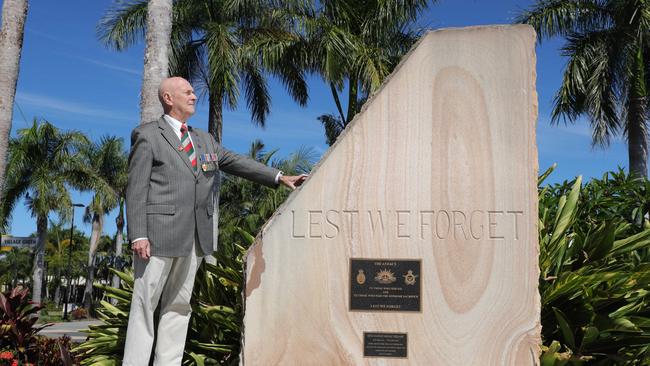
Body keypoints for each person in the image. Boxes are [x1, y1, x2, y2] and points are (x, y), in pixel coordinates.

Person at [123, 77, 307, 365]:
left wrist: (279, 177)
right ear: (169, 98)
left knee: (179, 307)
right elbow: (135, 188)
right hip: (156, 237)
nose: (194, 96)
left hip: (194, 238)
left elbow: (236, 161)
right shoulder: (148, 135)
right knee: (145, 306)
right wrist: (138, 235)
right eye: (188, 92)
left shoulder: (204, 139)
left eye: (194, 91)